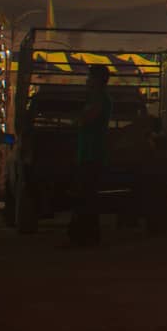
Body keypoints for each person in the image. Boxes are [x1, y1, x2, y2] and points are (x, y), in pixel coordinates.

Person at [69, 65, 113, 247]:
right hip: (87, 154)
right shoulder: (96, 99)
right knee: (86, 197)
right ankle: (86, 236)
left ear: (98, 80)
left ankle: (86, 237)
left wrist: (79, 119)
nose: (87, 81)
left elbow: (85, 119)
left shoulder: (101, 100)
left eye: (90, 77)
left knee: (87, 197)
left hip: (92, 155)